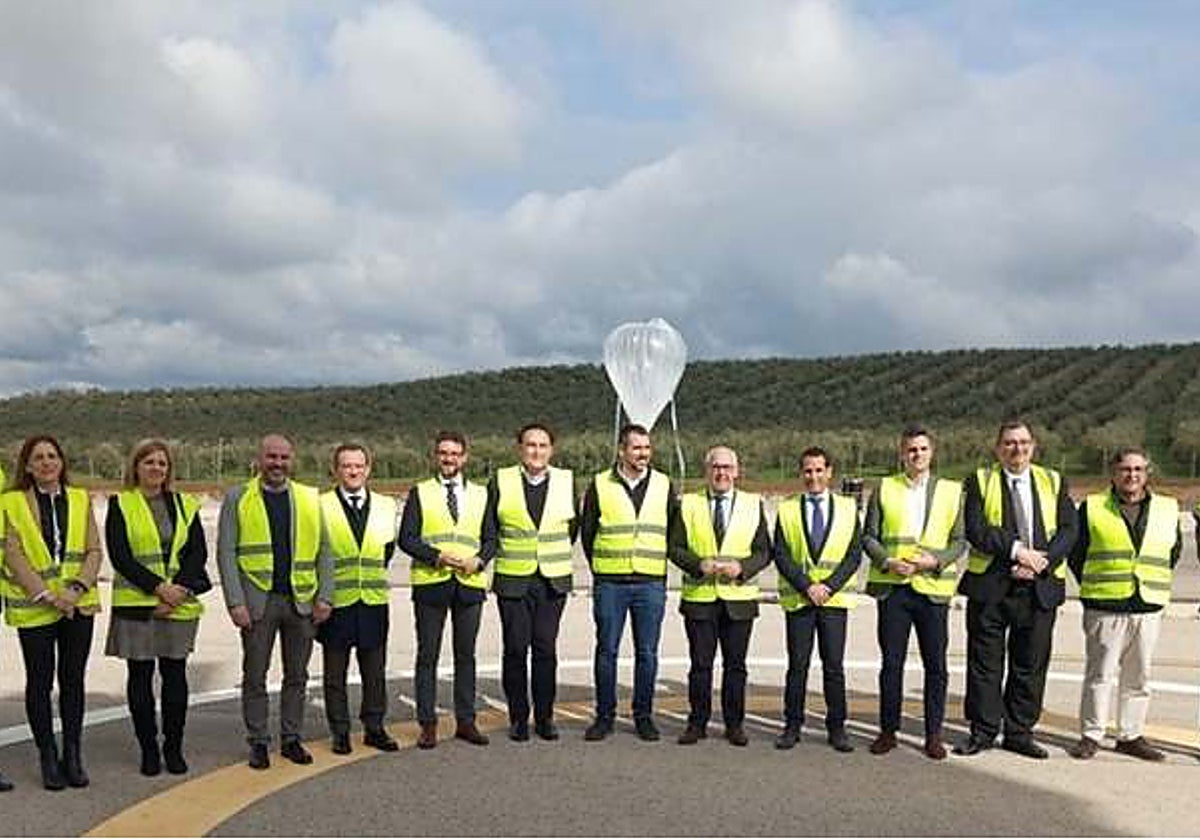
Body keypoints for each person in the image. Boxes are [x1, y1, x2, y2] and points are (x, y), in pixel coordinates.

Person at [956, 420, 1077, 760]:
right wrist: (1017, 551)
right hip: (992, 587)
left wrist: (1043, 561)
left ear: (1033, 446)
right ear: (998, 448)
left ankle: (1019, 732)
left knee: (1030, 663)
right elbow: (977, 529)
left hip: (1038, 587)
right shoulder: (980, 480)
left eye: (1023, 443)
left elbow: (1070, 529)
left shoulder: (1052, 480)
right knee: (985, 664)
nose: (1017, 449)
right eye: (1009, 443)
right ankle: (982, 731)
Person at [218, 433, 333, 770]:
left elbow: (325, 549)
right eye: (272, 457)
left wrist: (325, 595)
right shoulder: (238, 497)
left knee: (297, 675)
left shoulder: (310, 499)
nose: (278, 464)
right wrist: (235, 602)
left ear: (292, 459)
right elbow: (226, 552)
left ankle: (291, 738)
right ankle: (258, 741)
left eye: (284, 457)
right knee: (255, 675)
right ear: (259, 458)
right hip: (258, 602)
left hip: (302, 601)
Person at [0, 435, 102, 790]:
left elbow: (93, 550)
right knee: (39, 683)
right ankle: (47, 754)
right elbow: (12, 554)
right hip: (36, 607)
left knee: (73, 681)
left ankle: (72, 754)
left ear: (62, 462)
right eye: (38, 457)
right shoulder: (11, 502)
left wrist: (74, 590)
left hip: (77, 604)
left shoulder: (79, 498)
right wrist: (45, 594)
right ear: (27, 465)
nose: (46, 462)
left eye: (52, 456)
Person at [105, 439, 211, 776]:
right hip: (139, 606)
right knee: (140, 677)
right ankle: (149, 748)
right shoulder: (120, 504)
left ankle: (173, 747)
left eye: (162, 463)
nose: (156, 468)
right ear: (135, 467)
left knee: (175, 676)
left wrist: (175, 592)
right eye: (149, 462)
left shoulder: (185, 504)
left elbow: (197, 553)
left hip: (178, 603)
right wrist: (159, 590)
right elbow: (120, 556)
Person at [1068, 447, 1180, 761]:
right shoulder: (1092, 507)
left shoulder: (1167, 509)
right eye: (1125, 470)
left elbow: (1172, 552)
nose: (1132, 475)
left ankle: (1131, 735)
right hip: (1105, 605)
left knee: (1139, 675)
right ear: (1114, 474)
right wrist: (1099, 586)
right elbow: (1078, 555)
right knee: (1099, 673)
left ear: (1147, 473)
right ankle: (1092, 734)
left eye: (1138, 470)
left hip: (1147, 604)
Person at [862, 425, 964, 761]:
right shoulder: (885, 488)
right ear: (902, 453)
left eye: (922, 449)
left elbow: (960, 541)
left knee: (936, 666)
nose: (916, 455)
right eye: (911, 450)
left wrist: (935, 560)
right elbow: (869, 537)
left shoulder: (951, 491)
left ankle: (933, 734)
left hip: (933, 590)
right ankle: (887, 731)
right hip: (895, 589)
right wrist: (888, 561)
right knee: (892, 664)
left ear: (932, 453)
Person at [580, 423, 679, 742]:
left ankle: (643, 715)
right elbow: (588, 533)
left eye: (647, 448)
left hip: (650, 582)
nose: (643, 454)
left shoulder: (664, 484)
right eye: (636, 448)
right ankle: (604, 716)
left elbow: (673, 530)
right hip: (611, 582)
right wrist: (603, 569)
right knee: (606, 650)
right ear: (622, 450)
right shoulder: (600, 484)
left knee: (647, 653)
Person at [398, 431, 496, 750]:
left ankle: (466, 721)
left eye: (455, 453)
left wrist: (479, 562)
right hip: (431, 583)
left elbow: (492, 538)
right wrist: (435, 556)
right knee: (428, 656)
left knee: (465, 656)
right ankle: (428, 724)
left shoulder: (482, 494)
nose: (449, 458)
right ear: (435, 456)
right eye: (443, 453)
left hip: (469, 585)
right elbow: (407, 538)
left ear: (465, 457)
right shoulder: (420, 492)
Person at [668, 445, 770, 746]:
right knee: (700, 665)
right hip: (701, 598)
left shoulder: (753, 504)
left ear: (737, 471)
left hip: (738, 599)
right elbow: (674, 547)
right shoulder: (687, 504)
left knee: (735, 666)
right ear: (707, 471)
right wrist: (697, 565)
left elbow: (765, 551)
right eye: (716, 467)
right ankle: (697, 723)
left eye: (727, 467)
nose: (721, 473)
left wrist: (742, 568)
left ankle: (734, 724)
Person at [486, 423, 578, 742]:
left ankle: (545, 716)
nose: (536, 451)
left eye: (542, 445)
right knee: (515, 649)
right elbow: (490, 528)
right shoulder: (501, 480)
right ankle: (518, 717)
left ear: (551, 450)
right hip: (513, 579)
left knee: (545, 649)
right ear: (519, 449)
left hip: (552, 580)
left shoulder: (567, 481)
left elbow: (574, 527)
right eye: (530, 445)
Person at [773, 446, 863, 753]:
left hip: (833, 602)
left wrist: (829, 586)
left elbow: (853, 555)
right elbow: (781, 555)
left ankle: (837, 727)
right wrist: (806, 586)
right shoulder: (786, 510)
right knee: (797, 666)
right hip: (800, 600)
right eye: (808, 471)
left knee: (833, 667)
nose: (813, 476)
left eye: (818, 470)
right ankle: (792, 725)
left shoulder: (849, 509)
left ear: (830, 472)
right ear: (801, 474)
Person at [317, 443, 399, 755]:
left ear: (368, 469)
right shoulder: (320, 505)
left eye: (359, 466)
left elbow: (386, 551)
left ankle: (374, 727)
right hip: (336, 602)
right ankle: (340, 731)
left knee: (374, 672)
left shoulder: (385, 505)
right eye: (347, 466)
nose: (353, 471)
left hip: (374, 600)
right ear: (336, 470)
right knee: (335, 674)